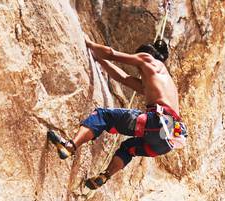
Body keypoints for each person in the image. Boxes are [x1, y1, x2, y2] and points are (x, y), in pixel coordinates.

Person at [47, 38, 187, 190]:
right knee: (128, 148)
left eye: (139, 69)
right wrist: (100, 61)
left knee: (103, 115)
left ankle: (69, 146)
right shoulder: (160, 83)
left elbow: (112, 54)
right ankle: (104, 176)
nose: (139, 73)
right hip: (167, 142)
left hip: (157, 123)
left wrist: (88, 43)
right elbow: (124, 78)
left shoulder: (148, 59)